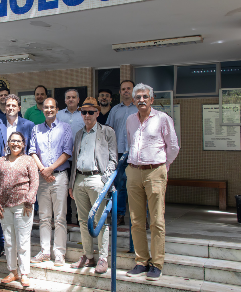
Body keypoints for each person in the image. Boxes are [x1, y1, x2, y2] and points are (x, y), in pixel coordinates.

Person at [125, 83, 179, 281]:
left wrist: (164, 166)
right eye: (137, 97)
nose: (141, 100)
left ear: (152, 99)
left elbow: (173, 146)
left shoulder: (163, 119)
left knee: (156, 220)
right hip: (133, 171)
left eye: (145, 97)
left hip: (155, 171)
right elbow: (131, 143)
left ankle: (157, 263)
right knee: (136, 220)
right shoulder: (130, 120)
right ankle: (141, 261)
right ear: (133, 100)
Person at [68, 97, 117, 274]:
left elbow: (113, 158)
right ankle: (88, 256)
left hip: (97, 179)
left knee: (99, 220)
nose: (87, 115)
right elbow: (75, 159)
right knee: (82, 220)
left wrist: (105, 179)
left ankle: (103, 258)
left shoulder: (107, 132)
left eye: (90, 112)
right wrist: (72, 183)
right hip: (80, 179)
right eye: (84, 112)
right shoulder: (79, 134)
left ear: (97, 113)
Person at [0, 94, 35, 259]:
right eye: (8, 105)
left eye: (14, 105)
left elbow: (31, 147)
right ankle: (1, 244)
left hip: (22, 175)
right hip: (3, 173)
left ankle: (21, 248)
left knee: (21, 212)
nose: (11, 108)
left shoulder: (28, 125)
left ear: (19, 108)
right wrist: (1, 162)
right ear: (4, 107)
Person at [29, 98, 73, 266]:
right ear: (42, 110)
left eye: (51, 107)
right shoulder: (36, 129)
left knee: (60, 217)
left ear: (57, 109)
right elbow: (32, 151)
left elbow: (67, 151)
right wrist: (43, 170)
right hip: (42, 177)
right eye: (46, 107)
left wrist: (51, 169)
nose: (48, 110)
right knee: (44, 216)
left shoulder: (65, 128)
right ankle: (45, 251)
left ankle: (59, 253)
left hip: (59, 176)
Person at [0, 132, 39, 288]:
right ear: (8, 143)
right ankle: (13, 271)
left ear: (23, 144)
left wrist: (29, 201)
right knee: (9, 241)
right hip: (5, 207)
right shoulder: (1, 161)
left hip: (23, 206)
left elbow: (34, 182)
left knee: (23, 242)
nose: (15, 144)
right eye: (13, 141)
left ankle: (24, 273)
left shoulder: (28, 160)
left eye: (18, 141)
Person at [106, 80, 137, 226]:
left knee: (138, 184)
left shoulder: (139, 108)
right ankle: (119, 214)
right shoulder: (115, 110)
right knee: (119, 184)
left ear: (134, 90)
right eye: (123, 89)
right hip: (118, 153)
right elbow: (109, 130)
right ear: (120, 92)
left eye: (128, 88)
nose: (126, 91)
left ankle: (140, 217)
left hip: (136, 153)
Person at [56, 89, 85, 225]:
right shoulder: (59, 115)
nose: (71, 99)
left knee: (79, 189)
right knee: (65, 190)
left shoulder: (83, 114)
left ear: (78, 100)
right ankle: (67, 218)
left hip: (80, 159)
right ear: (65, 100)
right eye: (68, 97)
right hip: (64, 159)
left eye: (73, 97)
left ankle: (81, 218)